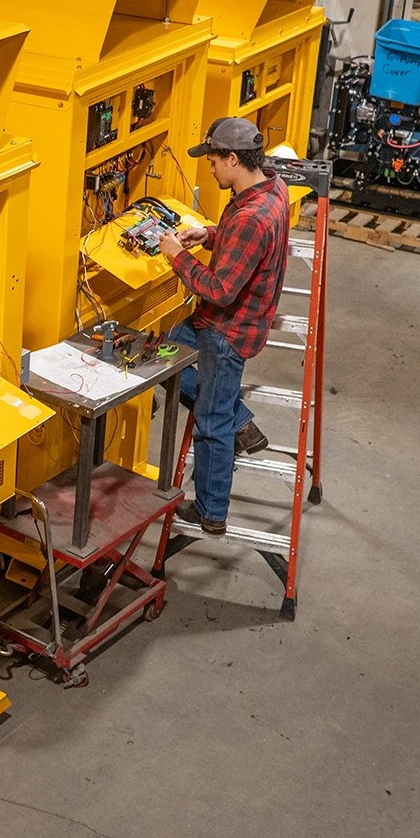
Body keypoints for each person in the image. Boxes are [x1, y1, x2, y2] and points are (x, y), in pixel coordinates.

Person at [155, 117, 290, 537]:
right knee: (165, 350)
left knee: (211, 423)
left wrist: (177, 256)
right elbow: (244, 241)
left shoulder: (252, 217)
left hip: (227, 331)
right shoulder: (270, 188)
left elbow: (220, 289)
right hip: (236, 320)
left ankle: (211, 512)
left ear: (233, 158)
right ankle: (241, 419)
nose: (209, 168)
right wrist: (209, 235)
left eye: (213, 160)